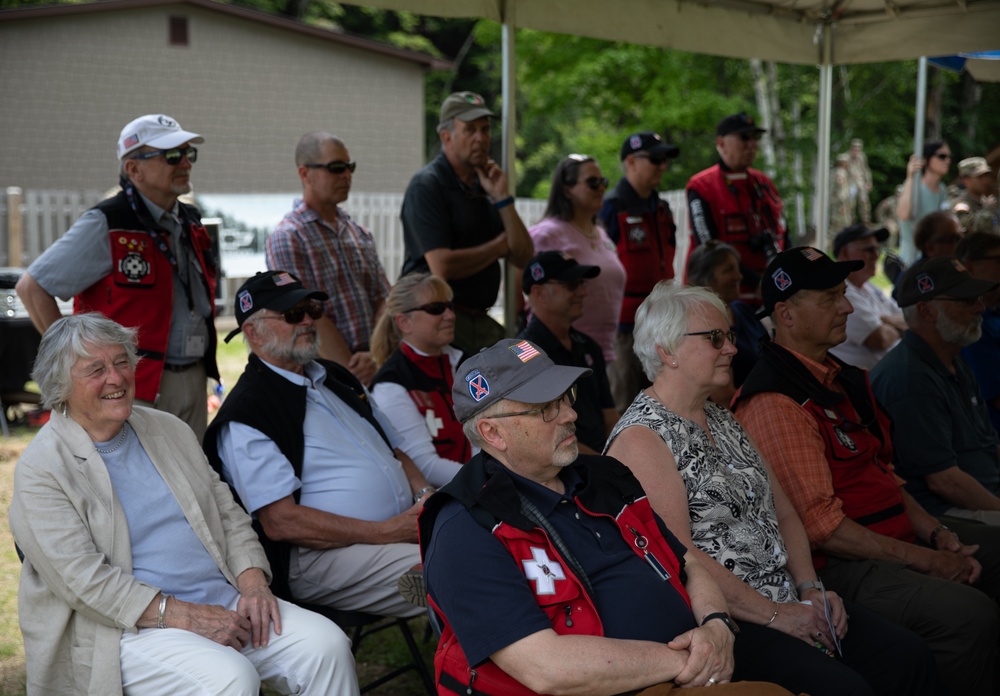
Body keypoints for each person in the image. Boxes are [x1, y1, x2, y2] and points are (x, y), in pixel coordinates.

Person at [605, 281, 939, 696]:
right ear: (666, 352)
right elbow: (679, 557)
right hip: (723, 622)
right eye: (715, 338)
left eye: (728, 335)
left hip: (785, 599)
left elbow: (783, 513)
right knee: (845, 688)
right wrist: (776, 614)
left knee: (907, 656)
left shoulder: (723, 417)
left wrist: (810, 591)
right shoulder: (642, 437)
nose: (731, 347)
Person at [419, 338, 794, 696]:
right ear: (492, 432)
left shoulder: (604, 476)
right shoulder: (465, 528)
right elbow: (545, 668)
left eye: (566, 397)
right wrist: (686, 659)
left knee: (841, 683)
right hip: (628, 685)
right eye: (547, 407)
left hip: (700, 655)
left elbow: (688, 563)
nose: (570, 414)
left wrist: (716, 625)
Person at [9, 313, 357, 696]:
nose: (116, 378)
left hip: (224, 600)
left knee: (328, 646)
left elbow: (227, 513)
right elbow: (83, 581)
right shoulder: (42, 468)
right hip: (129, 627)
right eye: (96, 369)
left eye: (122, 361)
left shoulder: (167, 428)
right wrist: (186, 616)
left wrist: (253, 581)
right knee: (230, 677)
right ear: (60, 386)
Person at [733, 246, 1000, 695]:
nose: (848, 307)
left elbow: (884, 475)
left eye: (843, 293)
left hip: (890, 539)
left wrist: (936, 533)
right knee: (971, 616)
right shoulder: (776, 402)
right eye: (830, 298)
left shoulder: (837, 377)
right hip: (840, 567)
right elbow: (824, 531)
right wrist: (931, 560)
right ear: (787, 314)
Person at [204, 271, 429, 618]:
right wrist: (387, 531)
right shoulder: (247, 413)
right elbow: (282, 522)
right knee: (460, 568)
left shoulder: (335, 377)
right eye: (293, 314)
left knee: (491, 548)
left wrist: (424, 499)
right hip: (320, 558)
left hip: (397, 532)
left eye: (311, 309)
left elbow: (396, 450)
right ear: (253, 332)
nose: (308, 320)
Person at [15, 114, 219, 440]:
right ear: (134, 169)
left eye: (188, 153)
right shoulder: (107, 222)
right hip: (131, 386)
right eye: (171, 155)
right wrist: (76, 367)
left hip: (194, 376)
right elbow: (32, 287)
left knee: (191, 479)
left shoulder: (189, 221)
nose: (184, 163)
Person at [400, 91, 533, 354]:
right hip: (438, 321)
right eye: (470, 129)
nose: (481, 138)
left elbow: (524, 255)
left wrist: (503, 198)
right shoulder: (428, 185)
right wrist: (498, 247)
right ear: (446, 136)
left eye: (485, 129)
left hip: (480, 321)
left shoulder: (485, 184)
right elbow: (442, 266)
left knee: (517, 373)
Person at [871, 257, 1000, 524]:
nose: (980, 307)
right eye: (967, 300)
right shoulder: (910, 379)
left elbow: (990, 444)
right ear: (927, 311)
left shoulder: (953, 359)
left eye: (978, 298)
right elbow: (945, 483)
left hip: (982, 495)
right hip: (945, 515)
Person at [266, 131, 390, 385]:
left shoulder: (359, 232)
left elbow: (383, 299)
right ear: (304, 173)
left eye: (349, 166)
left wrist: (376, 357)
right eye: (335, 167)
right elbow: (306, 313)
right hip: (324, 376)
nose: (346, 175)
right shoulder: (289, 236)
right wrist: (352, 374)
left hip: (374, 366)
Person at [598, 131, 679, 411]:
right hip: (623, 329)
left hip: (661, 323)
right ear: (631, 161)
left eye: (665, 160)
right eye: (656, 159)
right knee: (623, 404)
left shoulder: (662, 208)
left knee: (663, 402)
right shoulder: (611, 208)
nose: (663, 166)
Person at [370, 272, 471, 486]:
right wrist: (490, 481)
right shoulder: (391, 384)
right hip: (448, 499)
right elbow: (424, 466)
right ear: (404, 322)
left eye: (449, 306)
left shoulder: (467, 362)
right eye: (436, 309)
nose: (450, 315)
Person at [528, 153, 626, 363]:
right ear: (566, 189)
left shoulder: (601, 233)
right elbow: (528, 291)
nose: (601, 187)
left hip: (602, 351)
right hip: (559, 353)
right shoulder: (546, 234)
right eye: (592, 182)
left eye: (603, 181)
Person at [517, 251, 617, 454]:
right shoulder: (524, 354)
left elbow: (610, 415)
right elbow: (543, 434)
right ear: (539, 293)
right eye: (572, 285)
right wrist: (606, 464)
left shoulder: (589, 345)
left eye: (582, 284)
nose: (583, 292)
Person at [687, 112, 787, 306]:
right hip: (725, 301)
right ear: (721, 143)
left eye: (755, 138)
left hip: (771, 295)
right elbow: (709, 249)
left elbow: (784, 234)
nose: (752, 145)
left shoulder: (764, 183)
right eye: (744, 138)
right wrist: (758, 281)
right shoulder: (701, 186)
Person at [686, 240, 768, 388]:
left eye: (737, 269)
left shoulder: (743, 311)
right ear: (705, 280)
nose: (738, 276)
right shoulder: (701, 327)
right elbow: (723, 397)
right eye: (728, 270)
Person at [828, 224, 904, 370]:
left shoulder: (868, 287)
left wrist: (886, 320)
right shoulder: (840, 293)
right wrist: (899, 328)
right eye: (869, 250)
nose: (876, 255)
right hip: (868, 386)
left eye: (877, 249)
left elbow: (908, 319)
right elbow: (880, 338)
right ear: (844, 253)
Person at [958, 233, 1000, 435]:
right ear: (969, 266)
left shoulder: (993, 312)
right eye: (998, 260)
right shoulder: (972, 324)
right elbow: (996, 396)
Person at [896, 141, 953, 264]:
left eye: (949, 157)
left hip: (934, 260)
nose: (947, 161)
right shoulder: (913, 187)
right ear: (926, 159)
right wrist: (910, 176)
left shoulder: (942, 189)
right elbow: (903, 214)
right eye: (942, 156)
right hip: (911, 261)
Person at [952, 157, 998, 235]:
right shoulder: (961, 204)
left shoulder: (989, 197)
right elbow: (970, 229)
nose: (985, 180)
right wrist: (988, 209)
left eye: (986, 175)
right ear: (965, 181)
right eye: (979, 177)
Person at [844, 139, 873, 224]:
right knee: (850, 204)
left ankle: (866, 221)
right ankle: (850, 222)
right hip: (850, 183)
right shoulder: (846, 157)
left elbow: (866, 170)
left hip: (860, 182)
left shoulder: (862, 157)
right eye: (855, 148)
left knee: (864, 201)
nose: (856, 151)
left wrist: (869, 182)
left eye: (858, 149)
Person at [829, 154, 854, 233]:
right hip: (841, 201)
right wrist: (843, 202)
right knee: (842, 222)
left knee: (838, 222)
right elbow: (840, 185)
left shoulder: (835, 171)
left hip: (839, 200)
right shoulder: (840, 172)